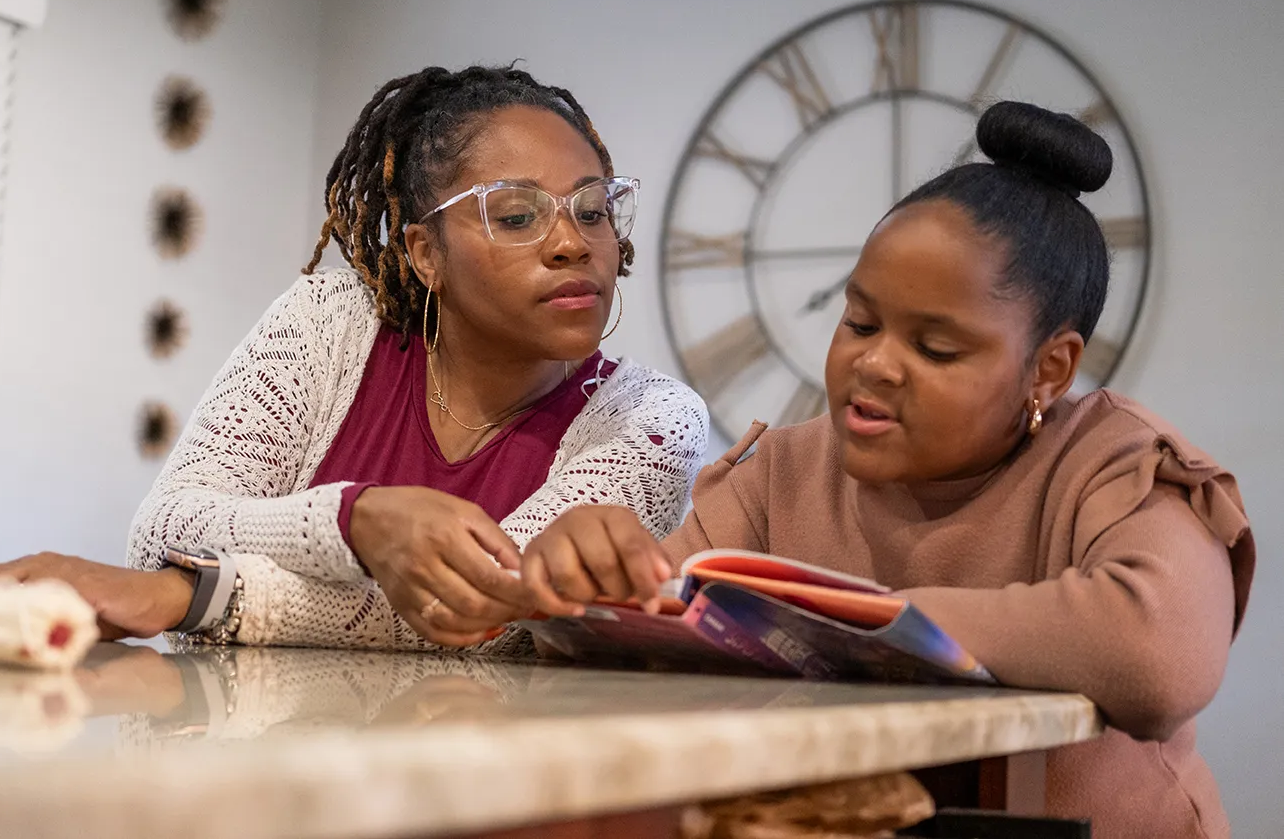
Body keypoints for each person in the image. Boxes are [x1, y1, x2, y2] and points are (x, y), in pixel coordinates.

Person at [520, 102, 1254, 839]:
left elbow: (1159, 659)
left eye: (936, 349)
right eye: (861, 323)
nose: (873, 364)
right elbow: (651, 630)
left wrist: (860, 624)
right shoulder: (785, 470)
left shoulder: (1114, 461)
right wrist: (585, 572)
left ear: (1049, 370)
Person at [0, 65, 708, 652]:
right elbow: (167, 529)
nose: (573, 242)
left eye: (593, 208)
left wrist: (188, 596)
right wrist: (355, 522)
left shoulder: (651, 420)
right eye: (515, 215)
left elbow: (482, 616)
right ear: (425, 253)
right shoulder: (330, 324)